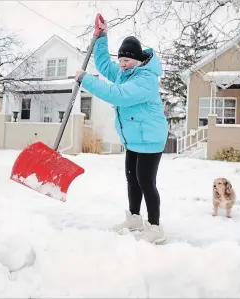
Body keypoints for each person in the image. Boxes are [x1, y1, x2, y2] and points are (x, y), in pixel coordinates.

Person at [74, 21, 168, 244]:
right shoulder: (125, 73)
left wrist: (85, 79)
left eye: (127, 60)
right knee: (132, 180)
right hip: (134, 139)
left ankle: (155, 227)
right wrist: (102, 37)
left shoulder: (145, 80)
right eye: (122, 60)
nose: (122, 65)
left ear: (137, 60)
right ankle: (135, 219)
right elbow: (104, 64)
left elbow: (118, 95)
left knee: (146, 182)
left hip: (150, 139)